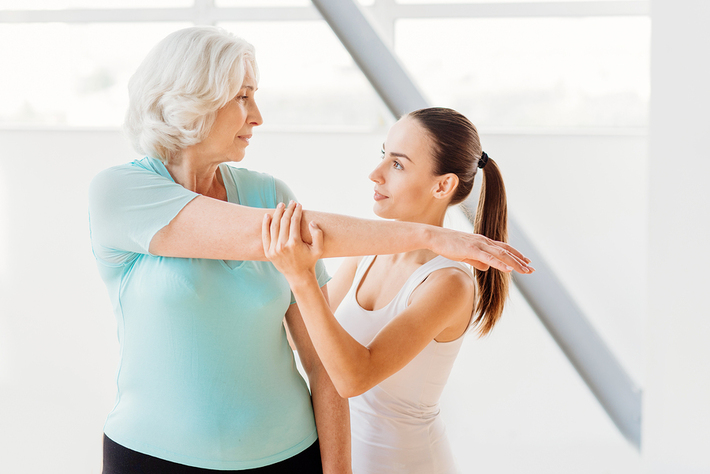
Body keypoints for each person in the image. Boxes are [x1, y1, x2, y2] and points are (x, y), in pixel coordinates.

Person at [88, 26, 532, 473]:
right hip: (151, 457)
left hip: (289, 456)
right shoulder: (122, 193)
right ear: (193, 100)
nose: (257, 115)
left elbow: (323, 365)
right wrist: (431, 235)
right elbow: (275, 235)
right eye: (243, 97)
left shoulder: (270, 193)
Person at [262, 107, 522, 473]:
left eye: (397, 165)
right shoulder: (369, 250)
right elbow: (298, 336)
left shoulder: (449, 284)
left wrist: (302, 278)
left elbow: (354, 377)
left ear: (443, 185)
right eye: (383, 155)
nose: (375, 173)